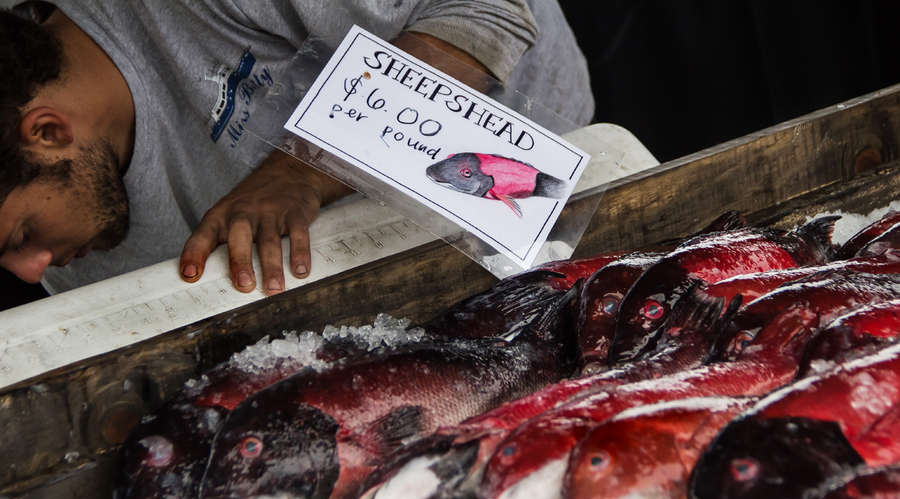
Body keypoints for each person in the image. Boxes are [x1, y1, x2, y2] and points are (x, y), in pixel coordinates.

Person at [0, 1, 593, 297]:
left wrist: (303, 168)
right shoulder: (76, 240)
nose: (30, 273)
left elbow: (483, 9)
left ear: (49, 132)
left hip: (554, 185)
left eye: (22, 236)